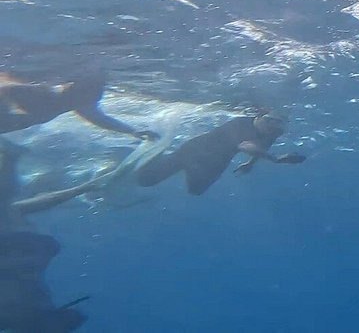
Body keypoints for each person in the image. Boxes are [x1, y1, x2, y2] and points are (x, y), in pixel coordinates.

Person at [0, 139, 118, 332]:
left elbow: (73, 316)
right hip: (22, 256)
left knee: (10, 208)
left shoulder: (24, 317)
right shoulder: (21, 318)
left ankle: (12, 156)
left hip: (29, 255)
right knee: (8, 208)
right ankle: (12, 156)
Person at [135, 113, 304, 196]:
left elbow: (260, 148)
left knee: (196, 191)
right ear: (260, 117)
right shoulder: (241, 123)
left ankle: (172, 164)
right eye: (270, 123)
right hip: (194, 151)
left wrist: (249, 165)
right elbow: (247, 146)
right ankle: (155, 152)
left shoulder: (270, 133)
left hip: (215, 162)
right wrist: (274, 159)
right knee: (145, 180)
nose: (272, 130)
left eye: (276, 129)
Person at [0, 71, 157, 141]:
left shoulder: (73, 102)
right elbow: (7, 87)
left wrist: (133, 131)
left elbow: (100, 119)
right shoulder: (40, 92)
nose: (91, 102)